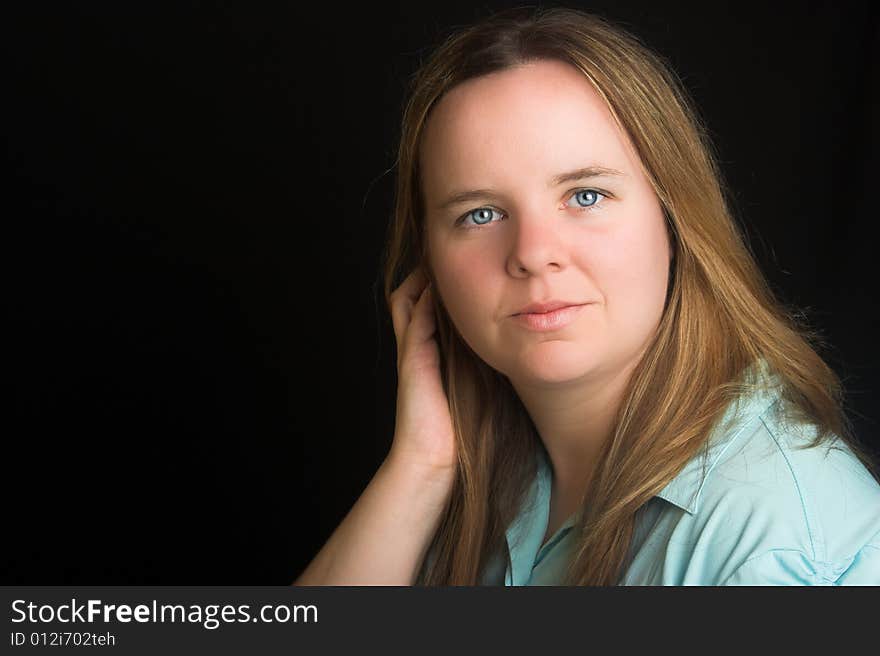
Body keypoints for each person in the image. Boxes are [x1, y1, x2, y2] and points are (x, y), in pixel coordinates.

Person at [293, 6, 880, 586]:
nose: (532, 251)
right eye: (481, 213)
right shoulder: (489, 479)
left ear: (675, 220)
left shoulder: (774, 540)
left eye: (586, 196)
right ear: (430, 270)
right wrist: (420, 466)